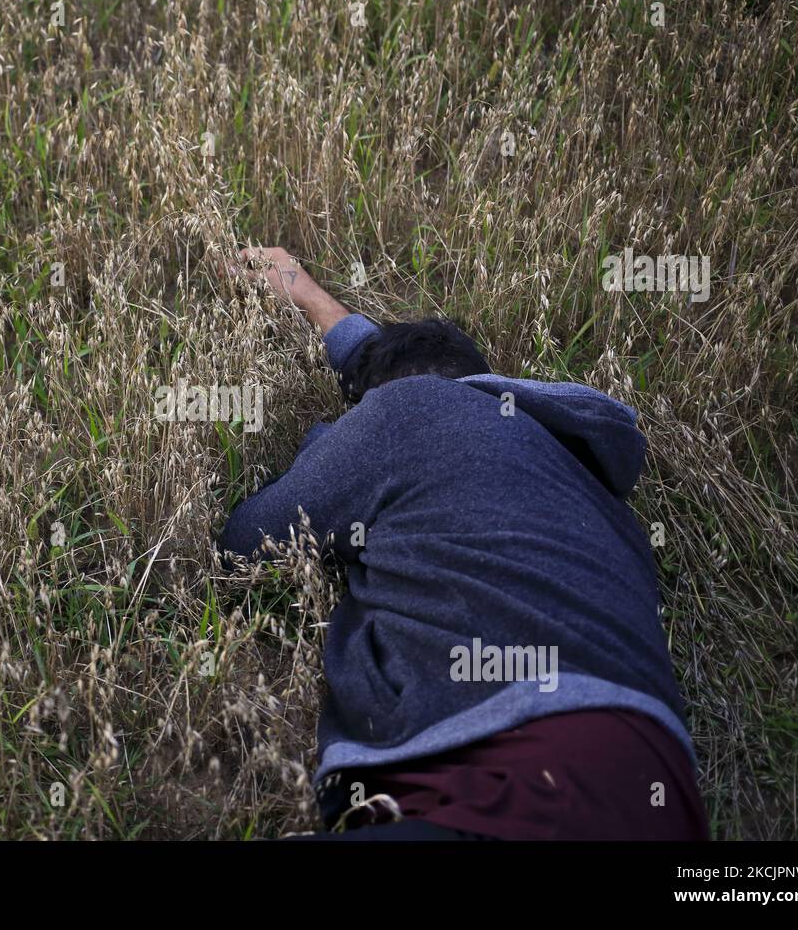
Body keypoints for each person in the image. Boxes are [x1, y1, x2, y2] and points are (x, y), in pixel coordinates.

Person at [219, 247, 709, 840]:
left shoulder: (408, 408)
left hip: (507, 773)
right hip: (653, 788)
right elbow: (412, 377)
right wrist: (316, 301)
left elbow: (247, 542)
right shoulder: (580, 474)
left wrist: (323, 445)